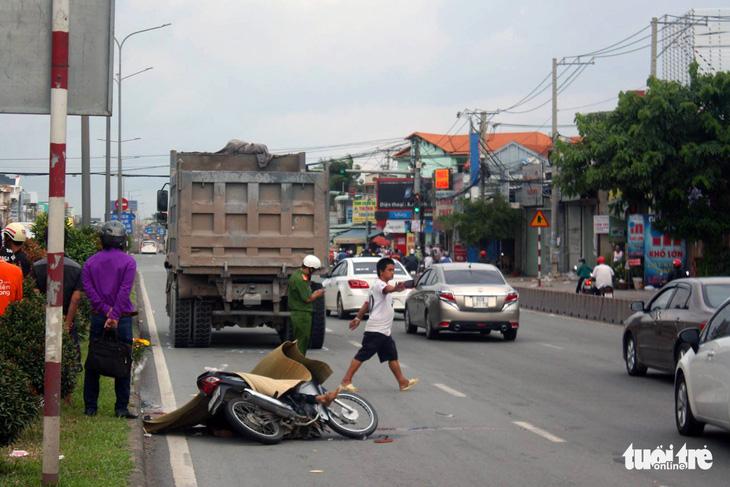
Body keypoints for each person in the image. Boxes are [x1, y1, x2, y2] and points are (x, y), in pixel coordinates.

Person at [82, 221, 138, 419]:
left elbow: (89, 290)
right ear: (123, 240)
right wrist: (114, 315)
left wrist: (106, 312)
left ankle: (90, 408)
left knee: (93, 362)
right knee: (123, 361)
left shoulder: (90, 262)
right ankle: (121, 408)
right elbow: (125, 291)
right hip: (121, 319)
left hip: (99, 316)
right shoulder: (129, 263)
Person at [339, 258, 418, 392]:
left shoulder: (376, 286)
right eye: (389, 270)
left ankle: (402, 382)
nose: (392, 273)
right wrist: (395, 289)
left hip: (384, 331)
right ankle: (346, 380)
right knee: (363, 355)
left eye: (393, 270)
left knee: (392, 356)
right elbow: (388, 289)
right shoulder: (380, 285)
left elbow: (367, 304)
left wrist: (357, 319)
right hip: (376, 330)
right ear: (381, 272)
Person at [32, 228, 84, 368]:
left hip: (44, 322)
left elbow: (36, 296)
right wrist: (67, 324)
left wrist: (47, 319)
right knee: (70, 362)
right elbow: (76, 298)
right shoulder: (76, 268)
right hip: (68, 321)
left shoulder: (37, 267)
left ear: (45, 242)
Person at [287, 255, 325, 356]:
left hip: (299, 314)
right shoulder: (300, 279)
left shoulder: (296, 275)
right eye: (313, 270)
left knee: (300, 342)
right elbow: (307, 298)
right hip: (302, 315)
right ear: (310, 268)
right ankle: (298, 365)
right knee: (302, 343)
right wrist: (317, 294)